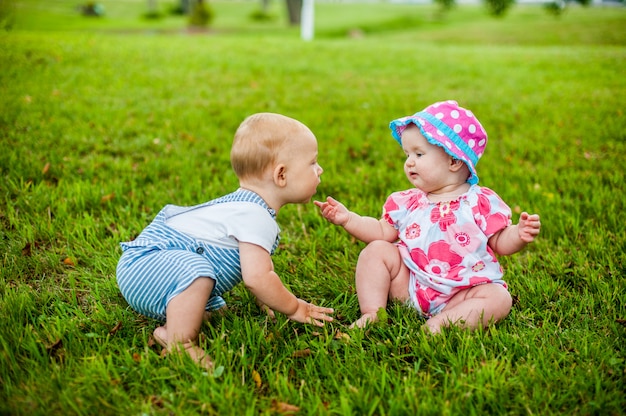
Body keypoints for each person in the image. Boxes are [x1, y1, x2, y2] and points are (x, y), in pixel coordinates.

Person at [117, 113, 334, 369]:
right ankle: (179, 341)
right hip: (147, 268)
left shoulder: (246, 207)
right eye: (313, 162)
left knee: (214, 305)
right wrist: (295, 307)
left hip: (152, 269)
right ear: (281, 175)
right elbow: (257, 278)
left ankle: (177, 321)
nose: (319, 170)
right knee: (197, 273)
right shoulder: (254, 216)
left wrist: (268, 298)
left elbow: (257, 266)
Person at [316, 100, 540, 333]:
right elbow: (381, 232)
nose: (409, 162)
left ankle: (442, 323)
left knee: (499, 297)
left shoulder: (479, 202)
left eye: (419, 154)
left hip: (463, 293)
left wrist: (519, 234)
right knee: (376, 250)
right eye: (407, 154)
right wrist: (349, 219)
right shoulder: (408, 201)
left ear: (453, 161)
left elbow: (500, 243)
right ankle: (373, 312)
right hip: (412, 285)